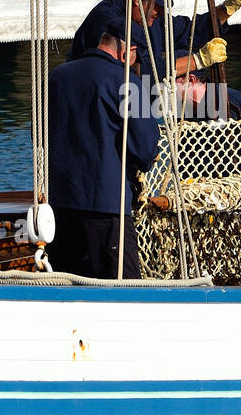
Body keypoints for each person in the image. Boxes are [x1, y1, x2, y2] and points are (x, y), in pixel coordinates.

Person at [47, 16, 160, 279]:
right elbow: (146, 149)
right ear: (127, 50)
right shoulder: (128, 83)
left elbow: (39, 135)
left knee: (67, 287)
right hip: (107, 210)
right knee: (126, 293)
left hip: (60, 209)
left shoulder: (56, 77)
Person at [68, 0, 241, 81]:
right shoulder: (108, 22)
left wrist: (228, 7)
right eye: (159, 6)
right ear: (138, 0)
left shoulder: (149, 18)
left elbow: (189, 31)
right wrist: (197, 61)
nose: (162, 12)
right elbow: (141, 72)